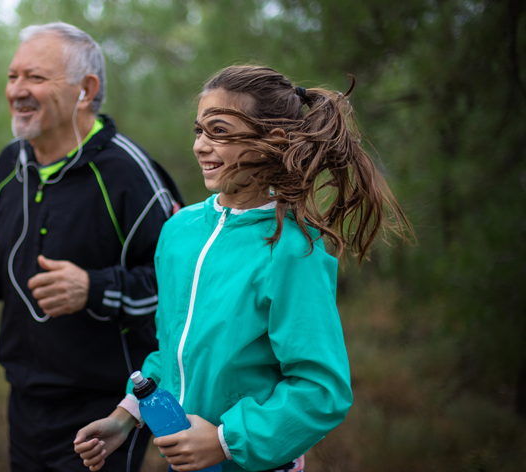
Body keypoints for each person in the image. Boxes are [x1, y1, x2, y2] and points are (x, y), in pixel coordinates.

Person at [74, 65, 413, 472]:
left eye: (219, 131)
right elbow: (173, 351)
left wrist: (223, 440)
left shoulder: (294, 249)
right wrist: (126, 417)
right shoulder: (179, 232)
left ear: (272, 141)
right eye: (199, 130)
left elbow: (321, 390)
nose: (200, 145)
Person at [0, 23, 183, 472]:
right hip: (24, 402)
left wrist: (94, 288)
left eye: (35, 78)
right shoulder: (10, 162)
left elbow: (183, 288)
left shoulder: (128, 173)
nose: (17, 90)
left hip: (107, 409)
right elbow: (13, 257)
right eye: (12, 76)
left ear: (85, 89)